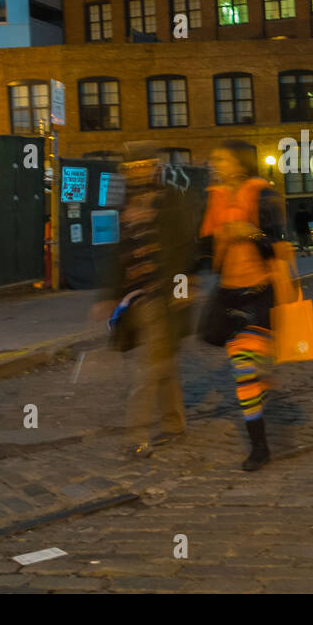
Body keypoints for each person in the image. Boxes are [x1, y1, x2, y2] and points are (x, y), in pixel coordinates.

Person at [199, 140, 293, 471]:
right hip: (228, 294)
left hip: (259, 293)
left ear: (239, 163)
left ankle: (260, 448)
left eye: (221, 158)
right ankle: (262, 381)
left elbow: (278, 247)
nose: (215, 164)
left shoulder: (263, 194)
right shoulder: (215, 197)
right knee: (248, 369)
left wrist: (250, 234)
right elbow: (206, 250)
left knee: (243, 371)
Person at [98, 143, 195, 459]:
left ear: (155, 167)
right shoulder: (125, 204)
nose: (138, 172)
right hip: (136, 299)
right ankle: (175, 423)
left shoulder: (169, 200)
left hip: (163, 296)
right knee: (162, 363)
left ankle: (136, 436)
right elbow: (120, 254)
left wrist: (181, 293)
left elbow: (183, 251)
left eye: (143, 165)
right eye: (131, 167)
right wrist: (109, 296)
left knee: (148, 368)